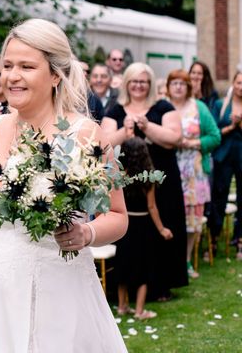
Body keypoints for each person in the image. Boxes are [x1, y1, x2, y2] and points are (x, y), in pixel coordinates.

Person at [0, 18, 128, 352]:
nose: (12, 76)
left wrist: (86, 234)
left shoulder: (83, 134)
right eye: (7, 65)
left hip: (56, 295)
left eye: (26, 66)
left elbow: (119, 216)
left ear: (54, 75)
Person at [101, 62, 187, 301]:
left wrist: (147, 127)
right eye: (134, 81)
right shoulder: (115, 110)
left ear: (149, 85)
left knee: (162, 224)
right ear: (127, 83)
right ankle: (125, 287)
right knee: (132, 233)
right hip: (126, 184)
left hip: (162, 177)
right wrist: (124, 131)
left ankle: (161, 284)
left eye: (143, 81)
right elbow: (103, 144)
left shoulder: (163, 107)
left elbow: (174, 138)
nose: (139, 86)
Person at [166, 70, 220, 276]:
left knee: (192, 220)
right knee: (169, 214)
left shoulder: (199, 108)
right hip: (169, 169)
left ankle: (186, 260)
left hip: (194, 172)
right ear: (169, 87)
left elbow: (215, 137)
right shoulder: (163, 106)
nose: (178, 87)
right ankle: (170, 259)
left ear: (188, 87)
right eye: (174, 83)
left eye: (183, 83)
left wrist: (194, 143)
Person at [115, 137, 173, 320]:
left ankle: (122, 307)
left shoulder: (119, 177)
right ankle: (139, 311)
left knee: (123, 266)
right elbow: (152, 207)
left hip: (124, 226)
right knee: (143, 268)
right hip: (142, 226)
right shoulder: (148, 179)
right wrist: (162, 229)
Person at [210, 72, 242, 259]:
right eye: (238, 83)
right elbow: (214, 131)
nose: (241, 87)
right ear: (233, 83)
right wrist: (231, 125)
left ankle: (239, 239)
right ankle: (214, 238)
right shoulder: (221, 105)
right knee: (219, 197)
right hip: (224, 157)